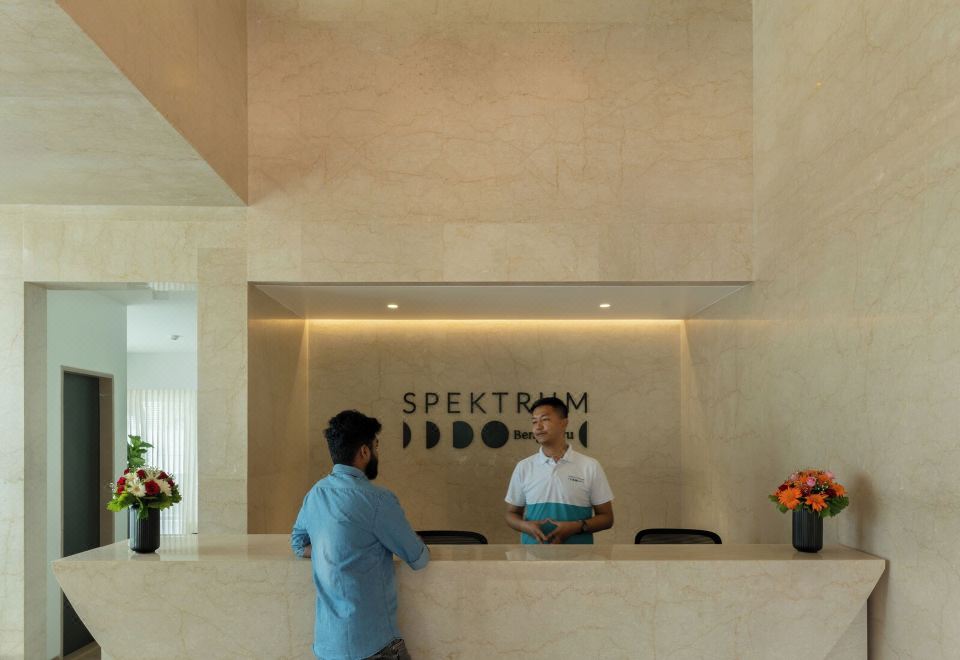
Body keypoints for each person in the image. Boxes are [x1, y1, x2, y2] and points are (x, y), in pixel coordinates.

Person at [291, 410, 429, 660]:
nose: (377, 452)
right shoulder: (377, 500)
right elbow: (418, 558)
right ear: (365, 451)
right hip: (374, 647)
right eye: (376, 446)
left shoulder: (316, 494)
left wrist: (331, 548)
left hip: (327, 646)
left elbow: (298, 545)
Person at [504, 396, 614, 544]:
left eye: (545, 419)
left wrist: (576, 527)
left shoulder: (590, 466)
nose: (538, 427)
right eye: (534, 421)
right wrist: (526, 526)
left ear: (564, 423)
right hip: (532, 555)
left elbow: (607, 518)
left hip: (579, 555)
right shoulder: (524, 466)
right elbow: (511, 514)